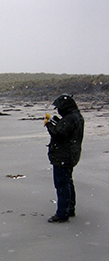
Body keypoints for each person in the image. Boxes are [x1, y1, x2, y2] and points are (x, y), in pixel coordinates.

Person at [44, 94, 84, 223]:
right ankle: (69, 208)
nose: (58, 110)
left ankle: (62, 214)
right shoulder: (75, 117)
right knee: (67, 182)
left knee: (62, 184)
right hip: (71, 155)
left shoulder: (70, 119)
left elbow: (59, 134)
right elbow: (66, 132)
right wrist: (58, 122)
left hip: (64, 156)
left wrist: (49, 125)